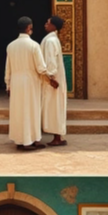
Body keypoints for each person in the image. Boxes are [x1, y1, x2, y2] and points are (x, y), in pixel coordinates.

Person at [5, 16, 49, 151]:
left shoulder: (11, 46)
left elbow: (8, 68)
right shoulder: (34, 45)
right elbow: (41, 67)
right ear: (29, 27)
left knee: (18, 111)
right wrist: (50, 78)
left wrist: (8, 84)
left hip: (16, 82)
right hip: (30, 82)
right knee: (31, 110)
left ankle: (21, 139)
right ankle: (29, 140)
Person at [40, 15, 67, 147]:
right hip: (54, 78)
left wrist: (51, 77)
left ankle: (57, 137)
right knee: (56, 106)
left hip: (53, 80)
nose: (45, 24)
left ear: (54, 26)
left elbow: (51, 61)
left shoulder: (50, 41)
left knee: (54, 106)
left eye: (48, 23)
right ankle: (58, 136)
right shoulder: (52, 39)